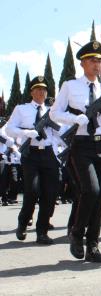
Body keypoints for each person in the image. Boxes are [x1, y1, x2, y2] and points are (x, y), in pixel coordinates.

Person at [51, 41, 101, 262]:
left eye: (99, 60)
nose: (96, 64)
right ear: (82, 63)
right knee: (90, 190)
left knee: (100, 198)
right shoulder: (70, 86)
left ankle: (93, 245)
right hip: (81, 144)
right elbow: (54, 114)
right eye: (92, 60)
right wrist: (74, 118)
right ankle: (77, 234)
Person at [5, 76, 60, 245]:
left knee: (49, 194)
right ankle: (23, 222)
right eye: (37, 89)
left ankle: (41, 232)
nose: (41, 92)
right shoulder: (22, 109)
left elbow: (59, 133)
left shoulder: (51, 111)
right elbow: (9, 129)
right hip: (31, 155)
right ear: (31, 92)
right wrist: (27, 133)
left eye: (44, 89)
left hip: (49, 153)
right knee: (33, 191)